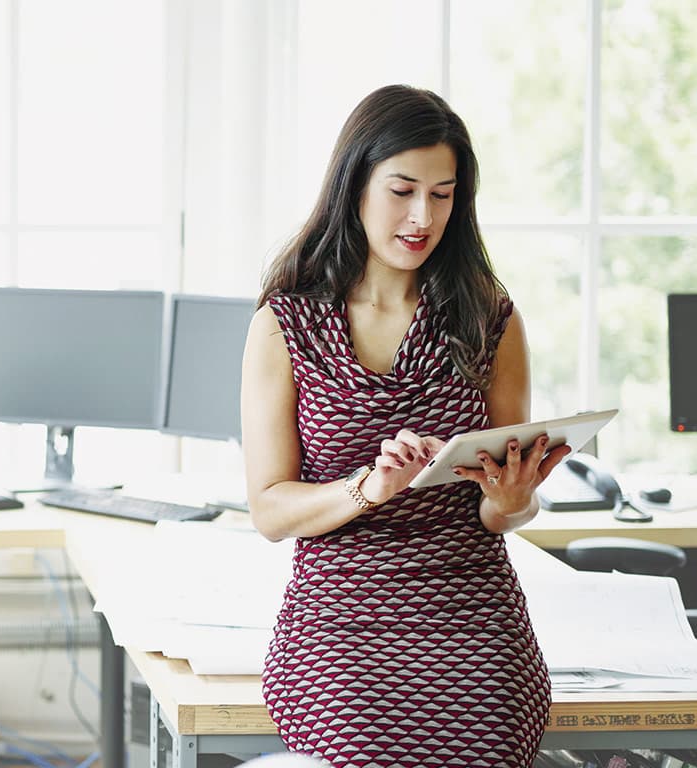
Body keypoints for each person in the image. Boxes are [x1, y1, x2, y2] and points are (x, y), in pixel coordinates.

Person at [240, 84, 571, 766]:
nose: (423, 216)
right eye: (403, 190)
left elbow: (502, 508)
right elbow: (271, 511)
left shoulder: (491, 320)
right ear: (354, 184)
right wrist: (367, 487)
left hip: (471, 613)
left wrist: (513, 500)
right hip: (340, 620)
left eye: (443, 194)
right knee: (362, 746)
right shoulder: (285, 324)